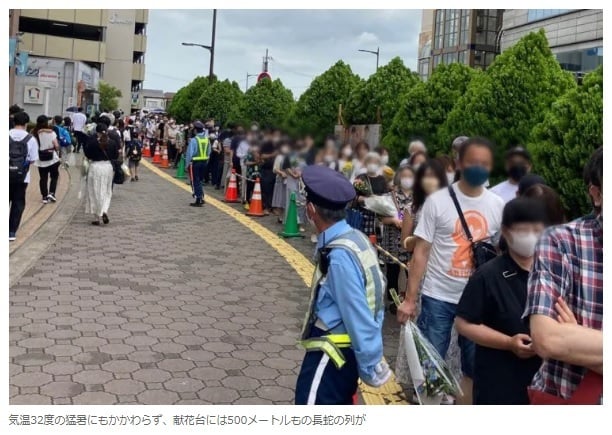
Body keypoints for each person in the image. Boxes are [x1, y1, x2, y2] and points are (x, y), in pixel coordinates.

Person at [397, 137, 505, 405]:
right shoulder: (437, 202)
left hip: (477, 301)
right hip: (438, 296)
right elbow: (421, 252)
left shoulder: (497, 205)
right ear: (459, 163)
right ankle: (429, 408)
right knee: (431, 363)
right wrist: (410, 300)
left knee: (473, 368)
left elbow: (501, 254)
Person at [295, 165, 391, 404]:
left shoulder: (339, 256)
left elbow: (357, 312)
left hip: (331, 353)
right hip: (343, 353)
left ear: (311, 210)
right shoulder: (355, 238)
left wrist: (370, 365)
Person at [524, 147, 603, 404]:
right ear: (597, 194)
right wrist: (569, 341)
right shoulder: (562, 242)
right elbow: (548, 339)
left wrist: (580, 339)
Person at [455, 198, 549, 404]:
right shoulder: (488, 275)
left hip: (545, 383)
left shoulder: (553, 272)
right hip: (499, 381)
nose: (531, 236)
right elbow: (464, 323)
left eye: (537, 230)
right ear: (506, 231)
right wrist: (508, 343)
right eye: (523, 230)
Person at [379, 165, 414, 314]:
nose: (407, 179)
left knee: (410, 272)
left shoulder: (418, 197)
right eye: (404, 176)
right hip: (392, 240)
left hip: (410, 241)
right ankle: (393, 301)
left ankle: (409, 299)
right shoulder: (389, 195)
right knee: (392, 273)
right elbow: (381, 218)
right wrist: (394, 220)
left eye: (410, 176)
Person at [9, 111, 39, 241]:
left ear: (13, 122)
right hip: (22, 177)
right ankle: (11, 232)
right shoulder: (31, 139)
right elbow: (33, 159)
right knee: (18, 203)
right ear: (26, 123)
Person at [83, 123, 119, 225]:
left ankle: (97, 217)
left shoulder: (92, 142)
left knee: (94, 191)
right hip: (107, 168)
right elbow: (115, 155)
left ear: (97, 132)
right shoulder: (112, 142)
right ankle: (104, 210)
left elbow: (87, 155)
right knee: (106, 190)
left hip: (95, 167)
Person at [353, 152, 388, 237]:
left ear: (379, 164)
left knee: (377, 241)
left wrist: (378, 200)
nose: (372, 164)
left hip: (377, 216)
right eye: (370, 162)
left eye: (375, 162)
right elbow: (353, 196)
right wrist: (364, 199)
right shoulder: (360, 178)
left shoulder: (382, 179)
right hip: (363, 216)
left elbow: (386, 197)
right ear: (366, 163)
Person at [32, 115, 61, 204]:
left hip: (41, 159)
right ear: (46, 122)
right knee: (54, 176)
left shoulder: (34, 133)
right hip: (52, 159)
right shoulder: (51, 133)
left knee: (43, 178)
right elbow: (56, 146)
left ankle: (44, 197)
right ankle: (51, 193)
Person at [184, 121, 210, 207]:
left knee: (195, 181)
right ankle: (201, 197)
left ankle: (198, 199)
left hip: (194, 163)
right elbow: (209, 152)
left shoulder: (194, 140)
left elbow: (189, 154)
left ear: (195, 130)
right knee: (200, 181)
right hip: (204, 162)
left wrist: (187, 165)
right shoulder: (207, 140)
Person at [271, 140, 289, 219]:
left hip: (289, 180)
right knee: (280, 198)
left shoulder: (291, 156)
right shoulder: (279, 157)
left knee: (287, 198)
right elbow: (275, 169)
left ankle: (286, 216)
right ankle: (280, 216)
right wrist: (281, 173)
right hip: (280, 180)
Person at [259, 137, 278, 213]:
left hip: (276, 171)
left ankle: (273, 207)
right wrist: (273, 155)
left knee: (274, 190)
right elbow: (262, 156)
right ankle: (266, 207)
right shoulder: (266, 146)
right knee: (266, 189)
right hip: (266, 170)